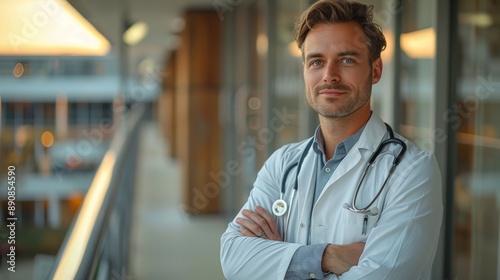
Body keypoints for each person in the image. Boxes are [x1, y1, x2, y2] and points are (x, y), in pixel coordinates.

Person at [220, 0, 443, 279]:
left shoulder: (412, 170)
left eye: (347, 60)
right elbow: (234, 260)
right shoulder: (282, 164)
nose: (329, 76)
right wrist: (328, 256)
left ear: (375, 70)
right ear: (304, 72)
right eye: (316, 62)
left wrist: (280, 260)